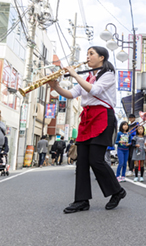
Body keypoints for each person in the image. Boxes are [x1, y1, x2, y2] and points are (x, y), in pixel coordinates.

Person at [49, 46, 125, 213]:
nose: (88, 57)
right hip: (87, 118)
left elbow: (95, 90)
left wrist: (75, 74)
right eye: (87, 53)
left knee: (96, 159)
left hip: (103, 116)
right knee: (82, 160)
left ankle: (117, 191)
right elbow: (71, 93)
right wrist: (55, 86)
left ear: (102, 58)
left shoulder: (108, 75)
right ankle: (81, 200)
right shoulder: (88, 77)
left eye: (91, 54)